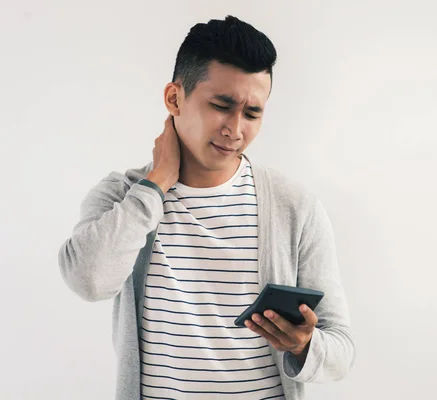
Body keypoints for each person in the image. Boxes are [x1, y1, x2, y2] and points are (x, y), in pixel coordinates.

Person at [58, 15, 354, 400]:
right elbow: (87, 280)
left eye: (252, 113)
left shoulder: (293, 207)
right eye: (221, 105)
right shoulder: (125, 196)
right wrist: (156, 183)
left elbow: (341, 350)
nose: (235, 129)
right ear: (174, 98)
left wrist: (303, 344)